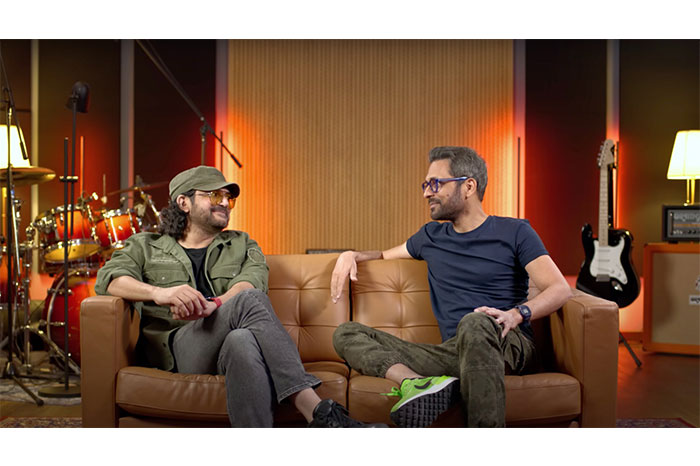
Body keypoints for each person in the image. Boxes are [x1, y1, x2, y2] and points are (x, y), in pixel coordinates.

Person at [94, 165, 382, 428]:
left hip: (225, 350)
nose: (224, 202)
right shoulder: (145, 246)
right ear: (184, 202)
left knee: (241, 339)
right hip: (177, 350)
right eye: (214, 195)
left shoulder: (242, 243)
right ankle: (317, 412)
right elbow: (109, 280)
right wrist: (161, 293)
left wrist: (216, 305)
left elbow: (252, 283)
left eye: (228, 198)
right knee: (247, 305)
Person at [330, 146, 572, 428]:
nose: (426, 193)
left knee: (475, 322)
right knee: (346, 333)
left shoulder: (515, 231)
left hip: (505, 342)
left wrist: (516, 315)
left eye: (435, 184)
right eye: (425, 185)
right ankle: (417, 384)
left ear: (468, 186)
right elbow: (383, 255)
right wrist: (350, 255)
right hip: (453, 351)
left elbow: (559, 288)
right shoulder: (430, 237)